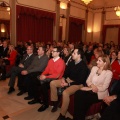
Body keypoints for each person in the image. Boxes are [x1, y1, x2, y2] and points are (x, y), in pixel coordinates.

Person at [50, 48, 88, 120]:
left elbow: (80, 80)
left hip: (78, 84)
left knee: (65, 93)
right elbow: (66, 72)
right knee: (52, 83)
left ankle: (62, 114)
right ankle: (55, 103)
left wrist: (68, 84)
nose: (72, 54)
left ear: (79, 55)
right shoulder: (72, 62)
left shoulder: (83, 66)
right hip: (69, 80)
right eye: (72, 53)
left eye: (74, 53)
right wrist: (64, 78)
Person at [72, 55, 113, 120]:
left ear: (105, 63)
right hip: (91, 89)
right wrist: (92, 86)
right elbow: (88, 80)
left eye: (99, 61)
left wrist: (90, 88)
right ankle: (77, 117)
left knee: (83, 99)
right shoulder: (94, 68)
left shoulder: (109, 73)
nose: (97, 62)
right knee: (78, 93)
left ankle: (79, 117)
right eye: (97, 60)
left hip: (99, 93)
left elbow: (104, 87)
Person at [28, 47, 65, 112]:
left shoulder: (61, 62)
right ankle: (37, 98)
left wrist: (46, 77)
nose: (51, 52)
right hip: (49, 77)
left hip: (56, 79)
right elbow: (47, 70)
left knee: (43, 84)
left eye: (53, 51)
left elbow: (56, 75)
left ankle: (46, 104)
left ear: (58, 53)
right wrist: (42, 74)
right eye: (52, 51)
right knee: (35, 79)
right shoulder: (51, 60)